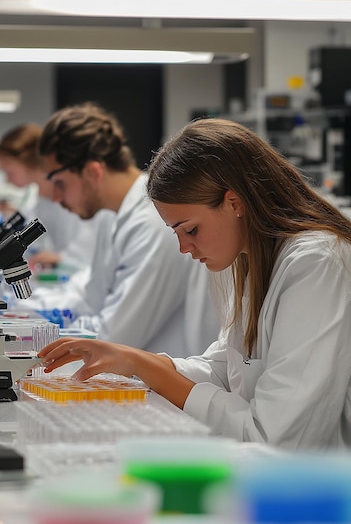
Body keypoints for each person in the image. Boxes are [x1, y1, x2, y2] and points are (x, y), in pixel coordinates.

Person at [39, 117, 351, 451]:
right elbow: (225, 368)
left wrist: (145, 366)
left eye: (190, 230)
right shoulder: (248, 257)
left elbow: (275, 439)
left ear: (234, 203)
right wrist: (133, 360)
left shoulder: (317, 262)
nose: (184, 248)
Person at [32, 103, 218, 356]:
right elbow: (90, 302)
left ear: (92, 171)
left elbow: (115, 337)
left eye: (60, 184)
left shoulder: (153, 221)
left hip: (171, 383)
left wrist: (33, 337)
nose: (55, 197)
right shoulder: (112, 217)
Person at [0, 123, 98, 271]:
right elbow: (26, 227)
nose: (8, 180)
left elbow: (89, 255)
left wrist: (61, 259)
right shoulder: (42, 200)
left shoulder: (71, 197)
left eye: (9, 171)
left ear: (29, 161)